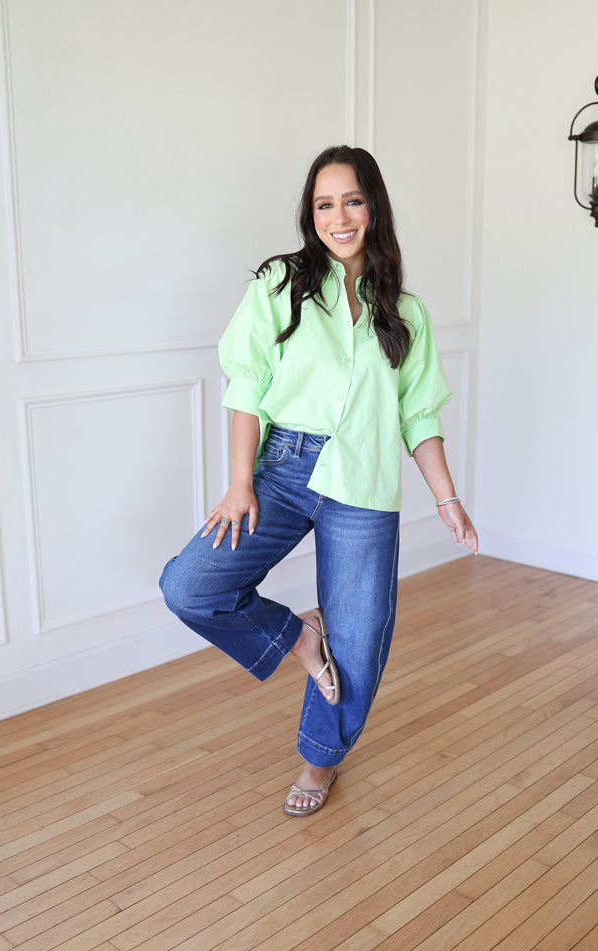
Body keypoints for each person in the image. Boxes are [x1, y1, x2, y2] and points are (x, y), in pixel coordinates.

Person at [159, 145, 478, 817]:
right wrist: (239, 482)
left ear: (374, 208)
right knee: (190, 586)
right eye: (324, 204)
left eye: (352, 201)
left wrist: (447, 499)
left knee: (361, 640)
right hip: (281, 469)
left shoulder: (405, 312)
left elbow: (418, 413)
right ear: (312, 214)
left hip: (362, 476)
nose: (339, 216)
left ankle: (319, 762)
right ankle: (300, 637)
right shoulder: (282, 283)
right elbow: (246, 384)